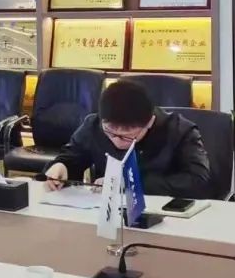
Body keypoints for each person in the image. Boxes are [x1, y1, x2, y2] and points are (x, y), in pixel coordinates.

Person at [43, 79, 214, 198]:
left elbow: (198, 181)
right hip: (106, 214)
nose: (117, 141)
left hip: (166, 215)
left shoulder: (180, 131)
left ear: (150, 122)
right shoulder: (94, 124)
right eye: (110, 132)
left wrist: (129, 183)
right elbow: (71, 156)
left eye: (128, 136)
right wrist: (61, 166)